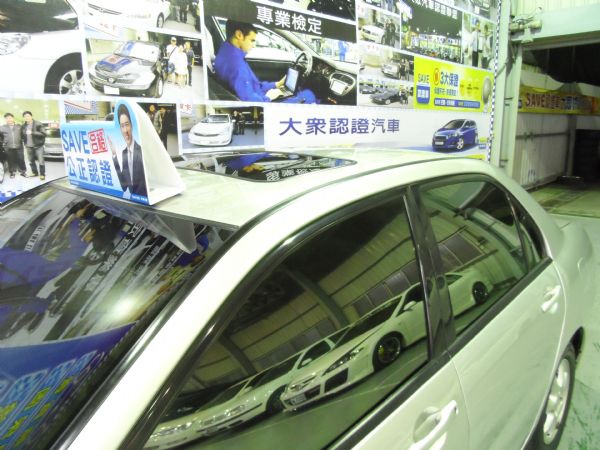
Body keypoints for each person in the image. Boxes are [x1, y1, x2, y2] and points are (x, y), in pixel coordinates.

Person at [214, 20, 316, 103]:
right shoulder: (237, 65)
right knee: (308, 95)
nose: (254, 45)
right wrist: (270, 97)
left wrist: (277, 84)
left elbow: (254, 85)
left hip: (260, 96)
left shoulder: (226, 52)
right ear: (239, 35)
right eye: (252, 40)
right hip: (264, 103)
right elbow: (251, 101)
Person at [109, 104, 147, 198]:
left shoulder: (142, 151)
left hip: (145, 202)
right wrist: (114, 155)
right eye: (122, 126)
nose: (125, 130)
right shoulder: (124, 153)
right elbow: (124, 186)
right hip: (133, 201)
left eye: (127, 125)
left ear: (131, 125)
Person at [21, 111, 46, 180]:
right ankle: (35, 172)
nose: (27, 118)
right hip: (28, 146)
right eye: (25, 116)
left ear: (31, 116)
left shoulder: (38, 124)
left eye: (28, 116)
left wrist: (32, 132)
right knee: (31, 160)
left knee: (41, 160)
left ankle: (42, 174)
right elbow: (22, 135)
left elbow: (44, 134)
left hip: (38, 146)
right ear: (23, 118)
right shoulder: (23, 126)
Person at [0, 113, 26, 178]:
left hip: (19, 146)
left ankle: (23, 171)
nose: (8, 119)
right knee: (10, 160)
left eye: (10, 118)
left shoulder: (19, 126)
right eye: (7, 118)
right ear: (5, 119)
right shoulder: (2, 127)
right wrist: (4, 143)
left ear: (13, 118)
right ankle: (12, 172)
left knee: (21, 159)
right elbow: (1, 137)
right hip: (8, 147)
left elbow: (23, 135)